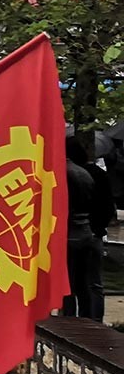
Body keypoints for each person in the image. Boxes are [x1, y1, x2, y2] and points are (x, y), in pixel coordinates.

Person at [64, 138, 113, 321]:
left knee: (70, 283)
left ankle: (69, 321)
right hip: (92, 233)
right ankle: (93, 321)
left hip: (75, 233)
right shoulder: (96, 174)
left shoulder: (69, 174)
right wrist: (97, 228)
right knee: (92, 284)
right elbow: (108, 207)